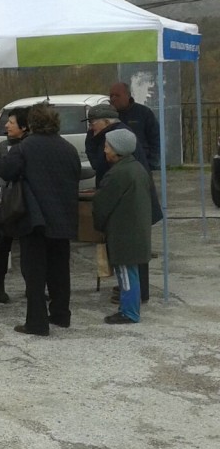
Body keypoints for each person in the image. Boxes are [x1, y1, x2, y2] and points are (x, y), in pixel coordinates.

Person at [0, 102, 81, 337]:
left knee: (34, 271)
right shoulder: (68, 148)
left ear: (31, 123)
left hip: (35, 219)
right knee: (60, 270)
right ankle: (61, 314)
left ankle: (37, 322)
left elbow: (5, 170)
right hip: (63, 217)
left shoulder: (25, 147)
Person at [85, 103, 162, 303]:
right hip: (133, 203)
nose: (91, 127)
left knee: (133, 254)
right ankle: (133, 290)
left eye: (93, 123)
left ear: (106, 122)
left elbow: (104, 167)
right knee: (133, 254)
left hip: (132, 206)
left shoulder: (118, 138)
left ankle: (137, 294)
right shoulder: (112, 134)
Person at [93, 127, 152, 324]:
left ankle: (129, 312)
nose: (105, 150)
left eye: (107, 146)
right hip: (135, 229)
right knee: (129, 271)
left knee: (126, 273)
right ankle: (128, 309)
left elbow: (102, 204)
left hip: (124, 232)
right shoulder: (136, 168)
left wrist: (98, 225)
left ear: (118, 149)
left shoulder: (119, 173)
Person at [0, 106, 29, 304]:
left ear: (24, 127)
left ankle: (32, 286)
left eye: (11, 122)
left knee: (29, 249)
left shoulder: (30, 146)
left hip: (26, 203)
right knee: (3, 246)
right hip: (6, 204)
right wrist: (4, 184)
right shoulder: (3, 146)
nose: (6, 125)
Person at [109, 82, 160, 170]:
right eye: (111, 96)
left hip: (141, 165)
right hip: (113, 167)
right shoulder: (108, 116)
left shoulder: (143, 113)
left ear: (128, 96)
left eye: (117, 95)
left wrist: (150, 163)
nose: (113, 99)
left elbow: (156, 139)